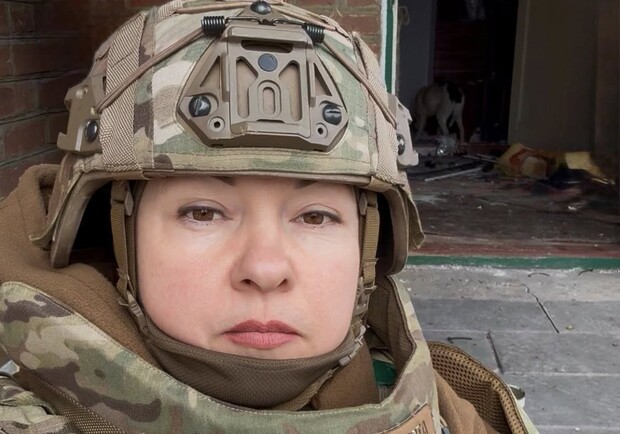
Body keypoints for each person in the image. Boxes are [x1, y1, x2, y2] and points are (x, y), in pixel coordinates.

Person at [0, 1, 538, 432]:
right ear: (116, 234)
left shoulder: (454, 408)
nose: (264, 268)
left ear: (369, 244)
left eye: (316, 217)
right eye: (203, 212)